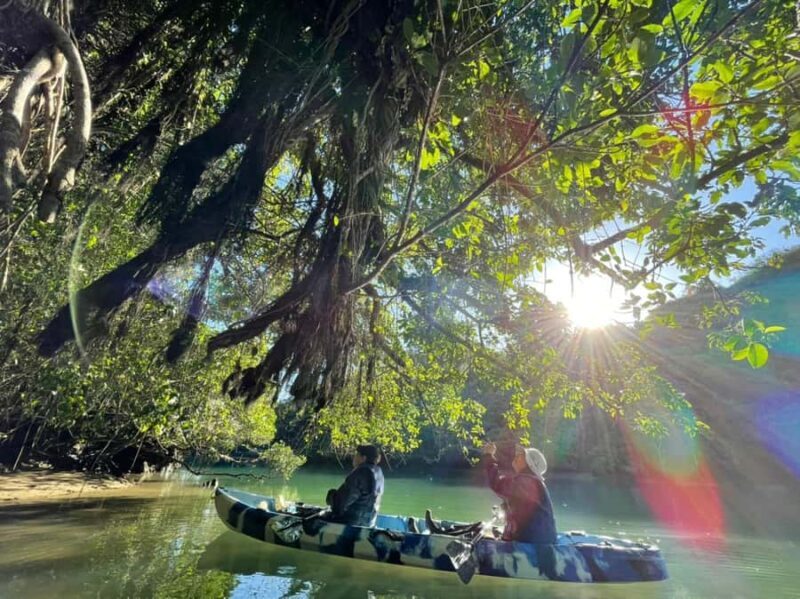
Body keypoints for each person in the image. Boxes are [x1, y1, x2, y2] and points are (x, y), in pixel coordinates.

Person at [482, 441, 557, 545]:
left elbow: (497, 484)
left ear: (529, 463)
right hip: (537, 540)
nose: (517, 455)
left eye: (522, 455)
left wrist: (488, 456)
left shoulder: (527, 481)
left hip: (532, 544)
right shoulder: (531, 481)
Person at [325, 444, 384, 527]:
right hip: (370, 523)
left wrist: (331, 496)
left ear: (364, 458)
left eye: (356, 455)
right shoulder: (378, 472)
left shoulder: (360, 473)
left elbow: (339, 505)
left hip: (351, 524)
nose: (354, 458)